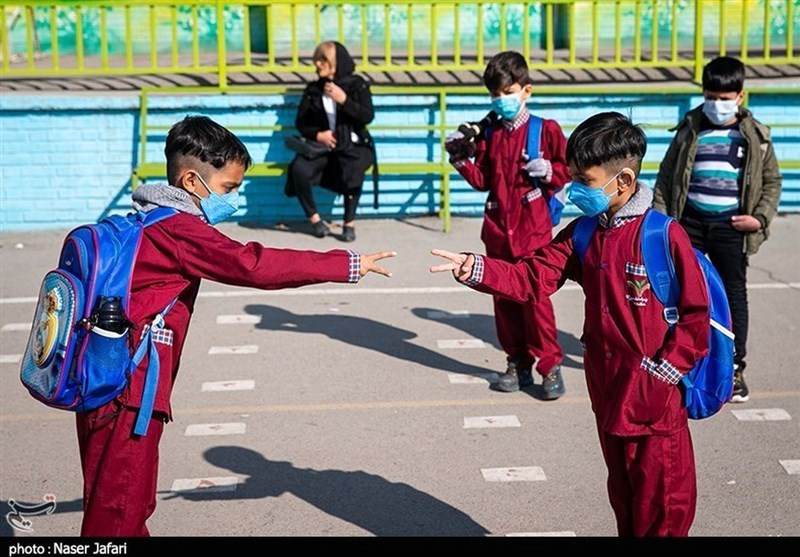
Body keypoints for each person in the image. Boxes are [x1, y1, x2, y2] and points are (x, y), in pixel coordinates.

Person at [76, 115, 395, 537]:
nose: (233, 199)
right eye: (228, 188)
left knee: (113, 498)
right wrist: (345, 264)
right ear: (192, 181)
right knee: (121, 509)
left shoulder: (143, 220)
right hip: (131, 389)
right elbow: (252, 264)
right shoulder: (178, 229)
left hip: (102, 376)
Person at [430, 112, 710, 536]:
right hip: (608, 391)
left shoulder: (662, 235)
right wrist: (478, 269)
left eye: (585, 180)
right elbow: (531, 278)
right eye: (573, 176)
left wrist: (663, 374)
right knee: (624, 500)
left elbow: (696, 315)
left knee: (662, 507)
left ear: (624, 181)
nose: (575, 188)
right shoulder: (583, 233)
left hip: (654, 399)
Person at [653, 55, 783, 404]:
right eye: (710, 96)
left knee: (732, 295)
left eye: (724, 98)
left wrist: (759, 219)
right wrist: (664, 222)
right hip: (690, 223)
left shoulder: (755, 136)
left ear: (740, 96)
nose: (716, 104)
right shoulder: (690, 129)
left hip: (731, 226)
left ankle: (734, 367)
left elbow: (772, 181)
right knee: (682, 292)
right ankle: (682, 360)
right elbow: (666, 177)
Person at [444, 50, 570, 396]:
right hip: (499, 231)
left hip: (533, 231)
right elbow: (483, 180)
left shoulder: (545, 130)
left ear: (526, 90)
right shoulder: (491, 133)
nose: (502, 100)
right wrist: (460, 159)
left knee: (535, 300)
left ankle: (550, 366)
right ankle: (517, 362)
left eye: (508, 92)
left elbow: (569, 169)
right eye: (495, 94)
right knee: (503, 300)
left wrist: (550, 170)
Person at [285, 41, 376, 242]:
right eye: (317, 60)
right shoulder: (314, 89)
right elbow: (301, 123)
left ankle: (349, 223)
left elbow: (367, 116)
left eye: (323, 59)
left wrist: (344, 100)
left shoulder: (357, 85)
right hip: (323, 148)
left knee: (354, 168)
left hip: (353, 144)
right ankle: (315, 220)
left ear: (337, 62)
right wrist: (319, 135)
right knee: (299, 168)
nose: (318, 64)